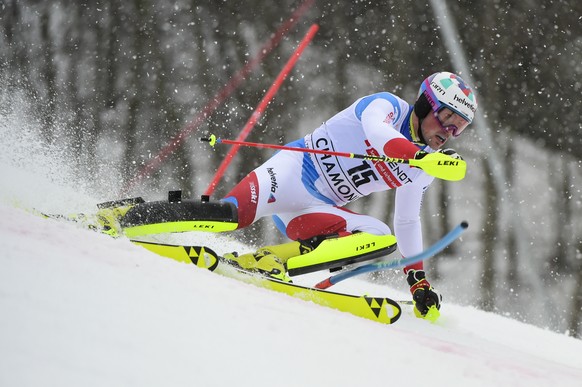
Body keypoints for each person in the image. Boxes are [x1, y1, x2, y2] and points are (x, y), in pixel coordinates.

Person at [219, 71, 477, 319]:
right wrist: (418, 158)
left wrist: (417, 281)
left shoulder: (424, 167)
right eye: (447, 118)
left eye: (460, 127)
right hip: (291, 172)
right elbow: (378, 133)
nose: (449, 133)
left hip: (314, 214)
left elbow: (407, 220)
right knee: (229, 215)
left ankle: (272, 259)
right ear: (424, 104)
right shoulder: (388, 107)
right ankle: (179, 214)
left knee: (380, 236)